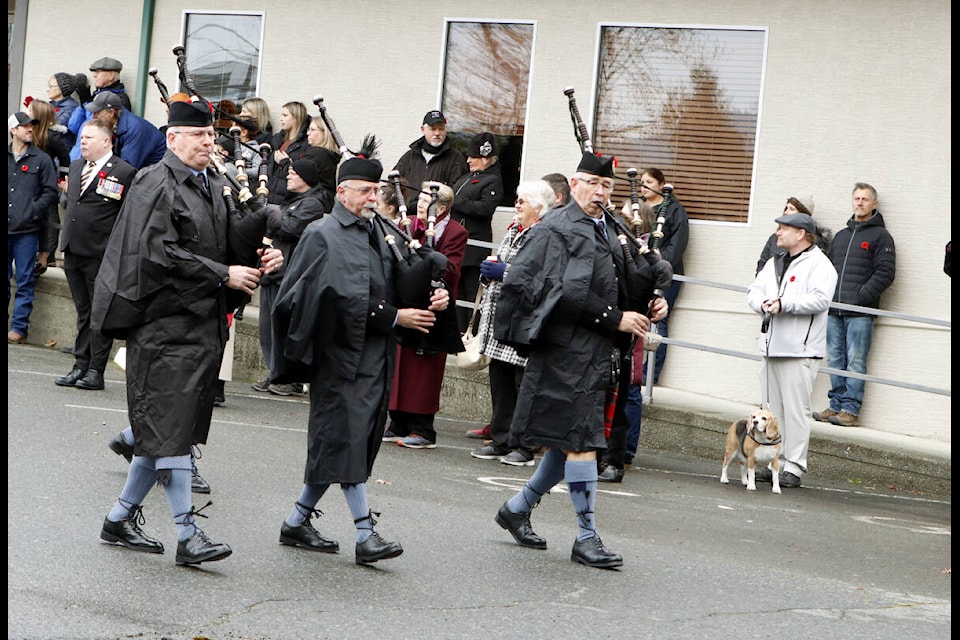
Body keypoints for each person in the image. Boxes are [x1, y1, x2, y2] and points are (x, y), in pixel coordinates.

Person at [90, 100, 283, 566]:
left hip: (201, 323)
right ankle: (187, 534)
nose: (208, 142)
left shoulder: (213, 183)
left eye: (211, 136)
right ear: (173, 138)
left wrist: (263, 257)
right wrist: (222, 274)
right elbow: (157, 251)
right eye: (199, 136)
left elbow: (227, 240)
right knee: (171, 434)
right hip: (162, 324)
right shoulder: (153, 182)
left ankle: (118, 519)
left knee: (164, 431)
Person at [269, 140, 450, 565]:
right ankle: (365, 534)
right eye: (365, 191)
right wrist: (392, 317)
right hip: (338, 357)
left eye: (375, 191)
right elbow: (321, 298)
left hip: (374, 356)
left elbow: (399, 277)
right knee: (346, 439)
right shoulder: (321, 234)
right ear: (342, 192)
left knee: (347, 442)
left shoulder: (379, 231)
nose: (373, 198)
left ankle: (297, 520)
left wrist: (432, 294)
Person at [491, 152, 668, 569]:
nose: (600, 192)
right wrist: (615, 318)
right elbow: (557, 291)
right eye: (592, 183)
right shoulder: (555, 228)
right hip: (563, 352)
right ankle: (586, 537)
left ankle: (517, 508)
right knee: (582, 440)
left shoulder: (608, 226)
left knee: (569, 438)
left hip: (596, 351)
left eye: (606, 186)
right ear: (573, 184)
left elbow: (622, 279)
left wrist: (651, 300)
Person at [468, 179, 555, 466]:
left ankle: (524, 446)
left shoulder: (545, 236)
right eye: (517, 199)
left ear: (539, 209)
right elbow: (503, 267)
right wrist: (488, 273)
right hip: (501, 320)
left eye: (523, 201)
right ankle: (501, 439)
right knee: (501, 383)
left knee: (523, 388)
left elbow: (541, 281)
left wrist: (505, 272)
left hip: (523, 323)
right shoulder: (514, 230)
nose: (516, 205)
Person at [747, 212, 837, 489]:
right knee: (773, 410)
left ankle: (794, 466)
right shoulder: (775, 262)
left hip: (800, 350)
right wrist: (762, 302)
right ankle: (777, 461)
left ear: (802, 233)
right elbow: (753, 291)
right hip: (771, 347)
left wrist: (784, 303)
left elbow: (820, 299)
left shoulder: (821, 265)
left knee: (796, 411)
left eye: (784, 228)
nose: (778, 232)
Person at [54, 118, 136, 391]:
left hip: (102, 255)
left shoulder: (124, 172)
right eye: (81, 138)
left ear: (106, 141)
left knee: (100, 314)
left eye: (89, 137)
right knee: (83, 312)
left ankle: (95, 370)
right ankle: (80, 365)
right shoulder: (77, 167)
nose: (83, 142)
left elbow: (127, 218)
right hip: (74, 250)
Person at [385, 181, 469, 449]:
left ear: (441, 208)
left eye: (426, 201)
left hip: (434, 307)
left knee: (424, 372)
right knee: (400, 365)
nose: (420, 204)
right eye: (420, 199)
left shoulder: (455, 232)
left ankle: (423, 429)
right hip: (405, 304)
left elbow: (451, 268)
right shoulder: (406, 224)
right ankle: (396, 422)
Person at [812, 183, 896, 427]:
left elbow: (885, 273)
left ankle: (850, 409)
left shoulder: (881, 236)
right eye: (857, 198)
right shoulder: (841, 236)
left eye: (865, 199)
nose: (860, 203)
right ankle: (836, 405)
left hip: (860, 312)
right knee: (835, 359)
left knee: (856, 361)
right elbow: (828, 270)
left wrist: (860, 297)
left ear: (874, 204)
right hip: (833, 310)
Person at [252, 158, 329, 397]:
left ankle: (292, 378)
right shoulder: (290, 202)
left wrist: (269, 215)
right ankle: (276, 373)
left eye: (293, 173)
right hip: (272, 270)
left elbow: (288, 228)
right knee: (268, 328)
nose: (288, 177)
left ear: (306, 178)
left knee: (286, 328)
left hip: (291, 273)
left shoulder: (313, 204)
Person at [8, 111, 59, 344]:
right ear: (13, 130)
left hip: (27, 230)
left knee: (26, 280)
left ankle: (19, 329)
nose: (30, 129)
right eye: (25, 126)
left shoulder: (42, 159)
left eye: (31, 126)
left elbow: (50, 192)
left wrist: (32, 210)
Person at [639, 167, 689, 384]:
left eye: (649, 181)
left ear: (661, 184)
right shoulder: (637, 208)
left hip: (664, 274)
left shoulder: (674, 210)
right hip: (639, 273)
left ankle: (650, 374)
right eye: (641, 181)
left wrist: (658, 263)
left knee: (659, 321)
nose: (644, 185)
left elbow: (678, 244)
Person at [451, 131, 504, 332]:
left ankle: (472, 334)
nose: (469, 160)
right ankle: (458, 334)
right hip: (458, 242)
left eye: (474, 157)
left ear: (487, 158)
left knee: (473, 293)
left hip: (474, 245)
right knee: (457, 293)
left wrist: (455, 200)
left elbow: (484, 209)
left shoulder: (492, 180)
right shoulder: (467, 177)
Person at [25, 98, 71, 273]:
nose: (27, 114)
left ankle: (48, 257)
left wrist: (62, 179)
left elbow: (65, 159)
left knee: (50, 220)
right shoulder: (26, 133)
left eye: (30, 111)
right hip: (27, 183)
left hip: (45, 184)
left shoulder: (52, 137)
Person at [392, 109, 468, 211]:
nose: (437, 133)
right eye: (433, 129)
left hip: (437, 216)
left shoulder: (455, 159)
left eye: (441, 129)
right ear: (423, 129)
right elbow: (394, 184)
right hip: (408, 215)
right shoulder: (409, 156)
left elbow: (456, 192)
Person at [66, 57, 132, 161]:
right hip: (77, 157)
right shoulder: (95, 96)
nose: (94, 76)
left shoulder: (119, 100)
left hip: (95, 158)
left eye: (99, 72)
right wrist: (84, 103)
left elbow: (106, 129)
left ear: (111, 75)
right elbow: (74, 127)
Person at [83, 92, 166, 169]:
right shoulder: (111, 125)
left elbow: (126, 168)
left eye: (97, 112)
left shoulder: (134, 129)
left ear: (111, 113)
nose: (93, 116)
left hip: (156, 177)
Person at [756, 195, 832, 275]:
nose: (786, 212)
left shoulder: (815, 244)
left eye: (791, 209)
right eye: (786, 208)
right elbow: (762, 265)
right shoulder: (775, 238)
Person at [266, 101, 311, 204]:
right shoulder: (278, 140)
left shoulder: (305, 144)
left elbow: (302, 173)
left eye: (285, 115)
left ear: (296, 118)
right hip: (270, 193)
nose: (281, 118)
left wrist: (285, 162)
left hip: (287, 198)